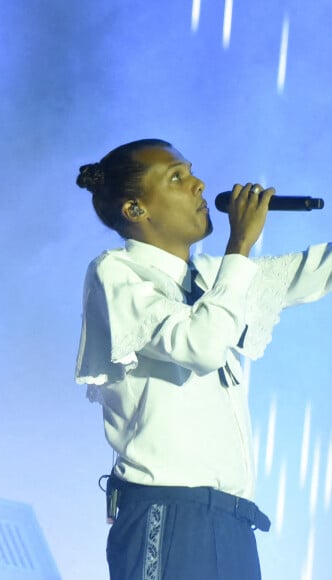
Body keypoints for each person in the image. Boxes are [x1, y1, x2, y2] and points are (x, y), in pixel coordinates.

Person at [74, 139, 332, 580]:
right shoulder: (116, 273)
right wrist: (240, 245)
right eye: (177, 177)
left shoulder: (213, 276)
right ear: (136, 210)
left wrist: (235, 259)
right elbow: (201, 344)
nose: (199, 185)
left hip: (232, 523)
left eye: (191, 172)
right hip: (166, 514)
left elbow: (314, 272)